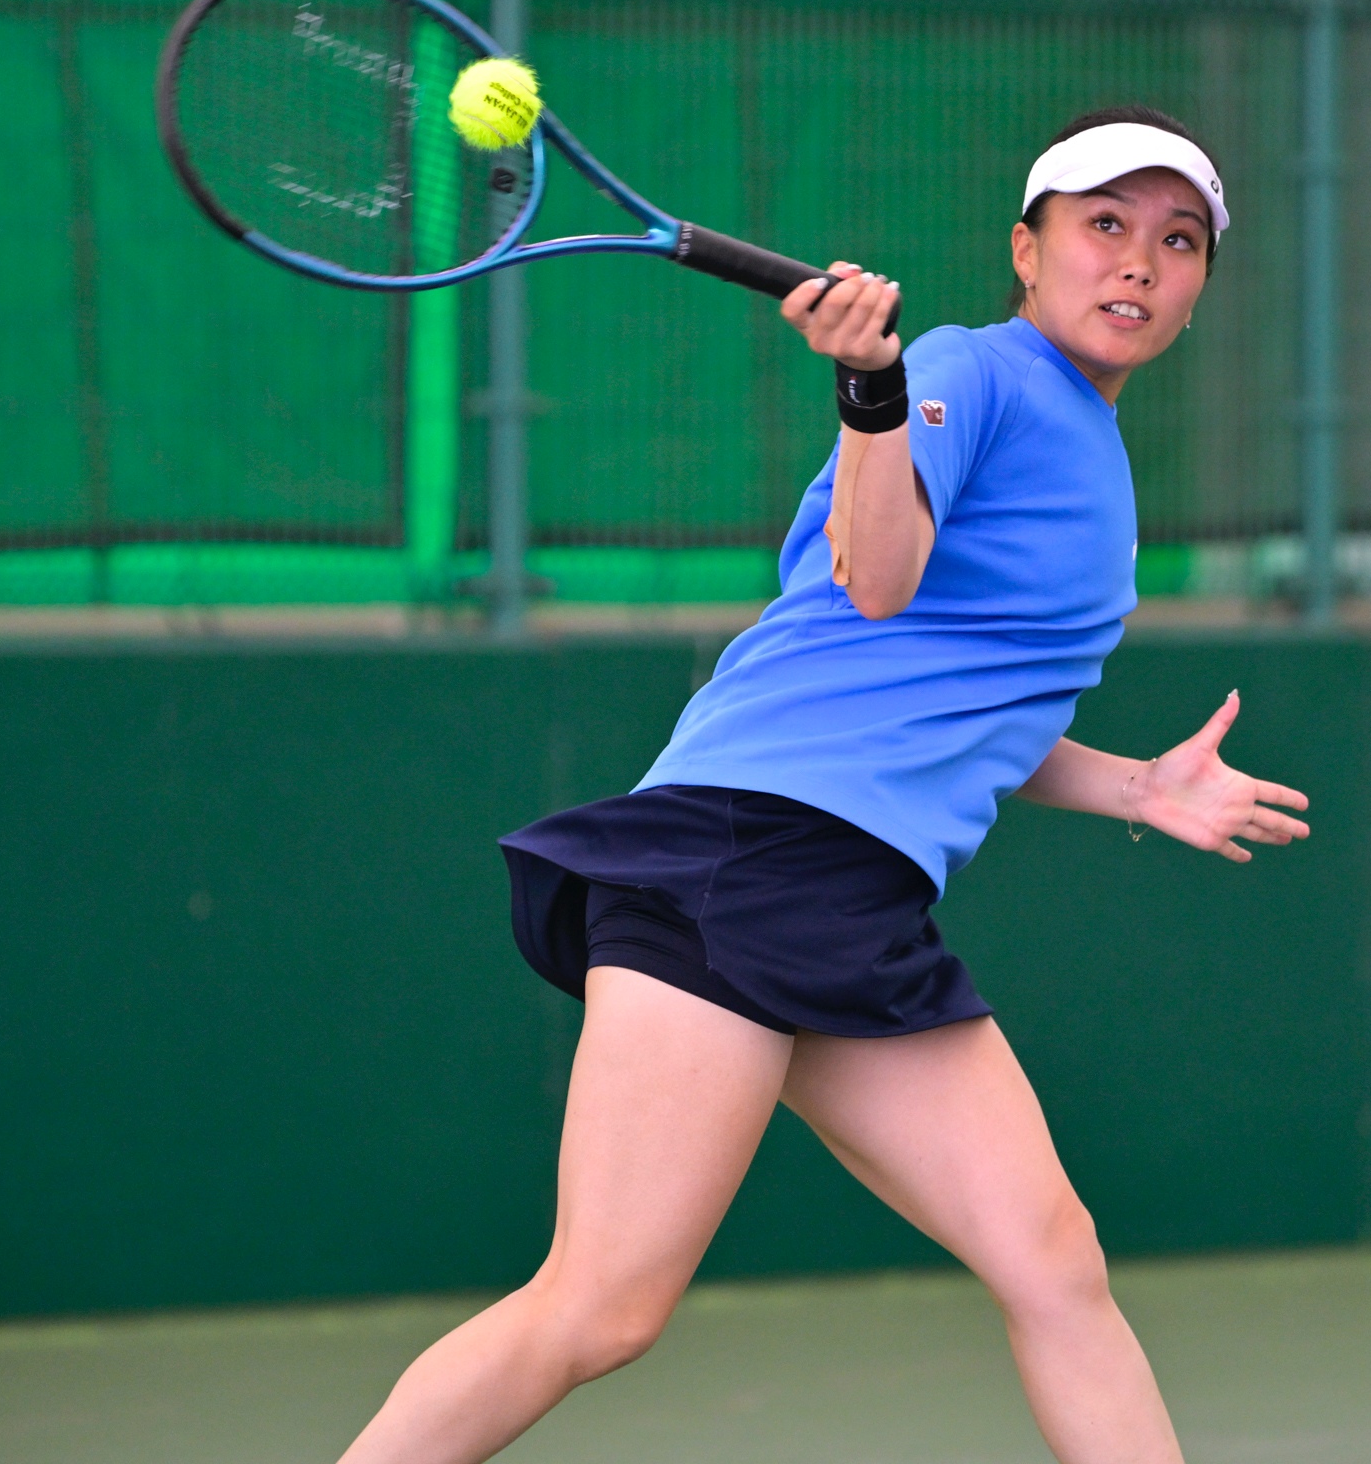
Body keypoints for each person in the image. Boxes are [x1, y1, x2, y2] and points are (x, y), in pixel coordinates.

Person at [338, 106, 1310, 1464]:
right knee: (601, 1307)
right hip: (748, 853)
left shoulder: (1087, 445)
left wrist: (1140, 788)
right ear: (1025, 250)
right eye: (1105, 224)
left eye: (1179, 240)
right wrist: (870, 391)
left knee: (1054, 1263)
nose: (1140, 261)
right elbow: (878, 579)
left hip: (853, 889)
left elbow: (952, 707)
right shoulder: (968, 372)